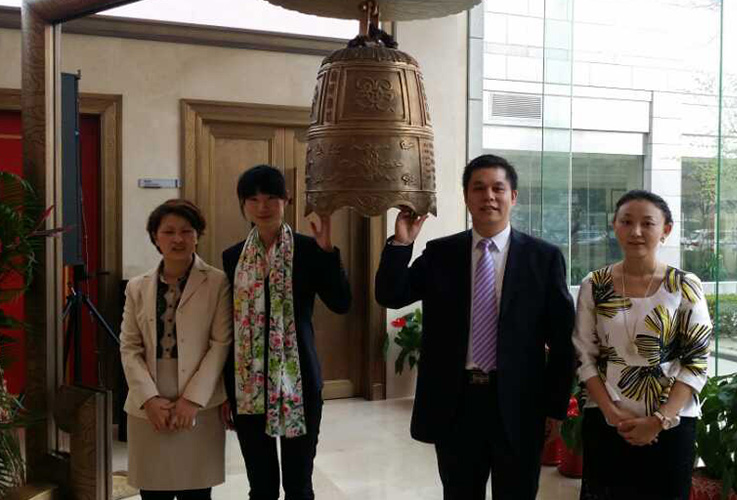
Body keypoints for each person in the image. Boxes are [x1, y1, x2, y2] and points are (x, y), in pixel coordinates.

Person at [375, 154, 576, 499]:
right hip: (456, 402)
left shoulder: (543, 258)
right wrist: (402, 243)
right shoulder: (441, 253)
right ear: (467, 197)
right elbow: (390, 294)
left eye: (498, 188)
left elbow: (562, 340)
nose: (489, 196)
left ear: (513, 196)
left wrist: (555, 407)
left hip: (519, 404)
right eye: (479, 188)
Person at [221, 165, 351, 500]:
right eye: (253, 199)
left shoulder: (309, 250)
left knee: (298, 485)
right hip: (248, 385)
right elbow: (228, 328)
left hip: (299, 382)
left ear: (286, 200)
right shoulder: (232, 257)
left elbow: (341, 303)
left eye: (271, 198)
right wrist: (224, 391)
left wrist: (327, 253)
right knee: (261, 486)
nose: (262, 206)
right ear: (243, 204)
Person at [573, 190, 712, 500]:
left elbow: (696, 361)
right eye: (626, 222)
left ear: (666, 230)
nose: (636, 231)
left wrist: (659, 420)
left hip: (671, 424)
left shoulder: (684, 285)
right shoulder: (594, 285)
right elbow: (584, 356)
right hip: (607, 420)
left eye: (647, 223)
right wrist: (611, 412)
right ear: (615, 226)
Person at [120, 199, 232, 500]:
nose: (178, 239)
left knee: (197, 492)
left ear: (198, 235)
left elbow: (220, 344)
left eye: (186, 231)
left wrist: (192, 400)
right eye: (168, 232)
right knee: (153, 493)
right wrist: (149, 399)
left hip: (199, 403)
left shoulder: (217, 282)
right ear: (155, 237)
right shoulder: (137, 287)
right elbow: (129, 347)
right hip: (148, 404)